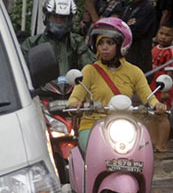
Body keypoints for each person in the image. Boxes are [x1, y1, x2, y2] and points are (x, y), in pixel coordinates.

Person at [67, 17, 166, 152]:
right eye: (100, 43)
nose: (104, 47)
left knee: (142, 153)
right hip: (92, 125)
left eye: (110, 42)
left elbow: (148, 97)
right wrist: (74, 104)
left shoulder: (134, 71)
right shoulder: (90, 70)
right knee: (96, 151)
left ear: (121, 45)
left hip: (125, 127)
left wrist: (157, 105)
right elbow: (75, 97)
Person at [21, 0, 92, 74]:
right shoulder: (32, 43)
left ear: (70, 20)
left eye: (63, 18)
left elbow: (89, 68)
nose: (58, 22)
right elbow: (21, 71)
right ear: (47, 17)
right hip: (40, 86)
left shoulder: (76, 43)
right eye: (55, 17)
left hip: (71, 86)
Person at [111, 0, 158, 74]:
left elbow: (131, 31)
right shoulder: (127, 7)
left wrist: (125, 26)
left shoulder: (147, 8)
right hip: (123, 61)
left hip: (139, 63)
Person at [149, 21, 173, 153]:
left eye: (167, 35)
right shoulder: (155, 48)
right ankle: (154, 142)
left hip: (163, 87)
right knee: (152, 114)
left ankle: (162, 144)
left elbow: (170, 73)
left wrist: (166, 90)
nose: (163, 37)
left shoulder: (171, 52)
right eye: (161, 33)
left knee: (162, 115)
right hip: (152, 87)